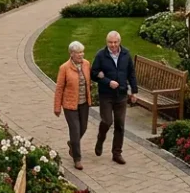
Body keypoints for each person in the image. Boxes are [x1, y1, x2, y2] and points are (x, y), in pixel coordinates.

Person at [91, 31, 137, 165]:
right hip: (106, 94)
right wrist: (107, 81)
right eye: (110, 42)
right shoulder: (101, 55)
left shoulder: (125, 54)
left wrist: (134, 91)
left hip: (121, 95)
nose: (113, 45)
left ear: (119, 42)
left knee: (120, 124)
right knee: (107, 121)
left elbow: (131, 73)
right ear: (107, 42)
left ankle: (117, 153)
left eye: (115, 42)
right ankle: (100, 139)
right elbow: (93, 73)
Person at [54, 40, 93, 170]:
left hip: (84, 103)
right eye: (78, 53)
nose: (81, 55)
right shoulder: (64, 68)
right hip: (70, 105)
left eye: (82, 52)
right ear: (71, 54)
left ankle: (72, 143)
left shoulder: (86, 64)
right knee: (75, 131)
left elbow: (89, 81)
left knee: (84, 127)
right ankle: (77, 158)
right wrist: (57, 107)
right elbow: (59, 88)